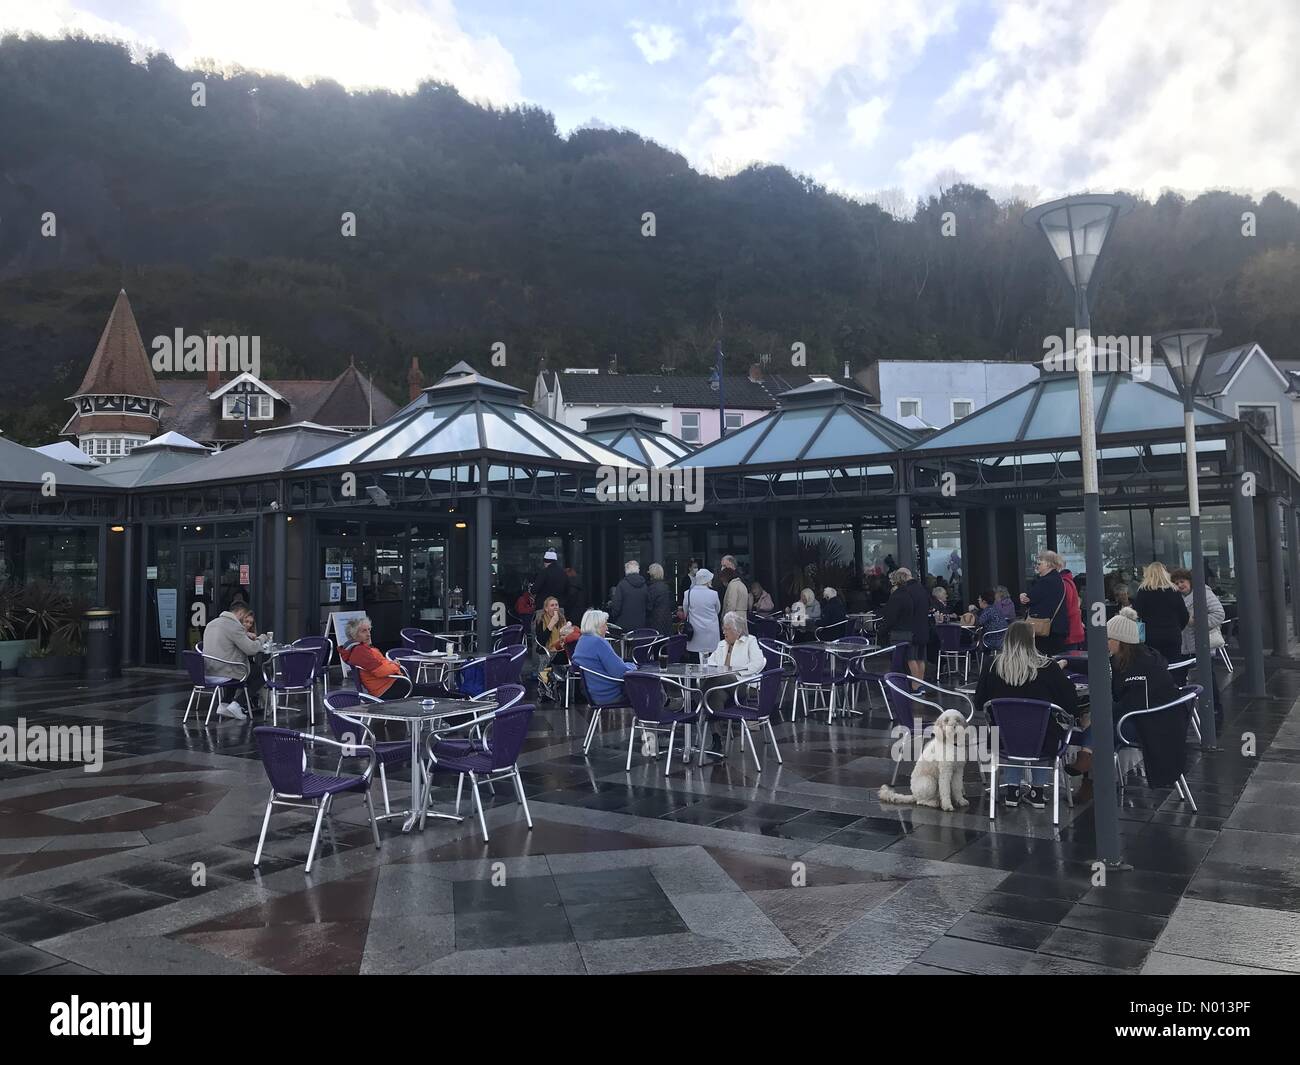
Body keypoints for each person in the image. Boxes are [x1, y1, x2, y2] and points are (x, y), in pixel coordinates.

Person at [1071, 607, 1179, 800]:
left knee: (1102, 726)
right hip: (1150, 718)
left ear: (1120, 641)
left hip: (1149, 724)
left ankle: (1087, 770)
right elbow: (1097, 665)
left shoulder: (1141, 667)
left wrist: (1107, 709)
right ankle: (1087, 766)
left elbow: (1136, 705)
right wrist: (1067, 663)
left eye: (1107, 639)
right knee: (1099, 722)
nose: (1104, 643)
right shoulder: (1136, 659)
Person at [974, 619, 1078, 809]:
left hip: (1004, 740)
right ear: (1032, 640)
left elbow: (979, 702)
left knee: (1011, 730)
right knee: (1043, 728)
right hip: (1043, 740)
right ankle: (1037, 791)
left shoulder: (992, 665)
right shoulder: (1048, 667)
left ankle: (1012, 790)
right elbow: (1070, 703)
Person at [700, 611, 767, 757]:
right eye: (723, 628)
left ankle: (698, 697)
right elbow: (711, 663)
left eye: (727, 629)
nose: (724, 632)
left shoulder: (750, 641)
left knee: (719, 679)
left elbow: (759, 662)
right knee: (713, 694)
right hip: (722, 688)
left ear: (737, 630)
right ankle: (717, 740)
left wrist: (739, 673)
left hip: (741, 686)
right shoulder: (721, 645)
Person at [1172, 567, 1225, 729]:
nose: (1180, 585)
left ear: (1189, 582)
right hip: (1183, 646)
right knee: (1179, 679)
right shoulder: (1175, 598)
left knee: (1207, 678)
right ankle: (1182, 711)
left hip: (1200, 644)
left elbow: (1219, 614)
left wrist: (1197, 624)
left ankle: (1214, 710)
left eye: (1182, 581)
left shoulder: (1203, 593)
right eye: (1176, 583)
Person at [339, 615, 437, 701]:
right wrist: (395, 665)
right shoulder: (360, 651)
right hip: (386, 689)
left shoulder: (360, 649)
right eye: (364, 631)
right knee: (436, 693)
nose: (368, 634)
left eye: (369, 630)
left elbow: (382, 666)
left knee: (433, 690)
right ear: (353, 635)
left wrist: (390, 665)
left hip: (389, 685)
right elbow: (380, 671)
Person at [201, 602, 265, 719]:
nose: (244, 619)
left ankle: (225, 703)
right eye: (244, 616)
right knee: (263, 674)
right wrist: (262, 638)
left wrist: (245, 633)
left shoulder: (211, 624)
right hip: (224, 672)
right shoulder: (234, 626)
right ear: (240, 613)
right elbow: (251, 649)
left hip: (207, 672)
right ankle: (237, 704)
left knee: (236, 666)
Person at [571, 609, 635, 705]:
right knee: (650, 685)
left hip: (593, 695)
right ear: (596, 626)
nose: (606, 628)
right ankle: (655, 718)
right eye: (605, 624)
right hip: (611, 695)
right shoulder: (599, 642)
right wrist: (633, 667)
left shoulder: (582, 641)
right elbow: (620, 672)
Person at [882, 567, 931, 685]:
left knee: (911, 658)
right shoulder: (922, 589)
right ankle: (920, 684)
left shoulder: (907, 591)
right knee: (920, 658)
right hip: (923, 628)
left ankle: (915, 686)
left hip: (910, 630)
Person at [1135, 561, 1189, 665]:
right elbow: (1184, 616)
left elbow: (1137, 616)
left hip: (1151, 636)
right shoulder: (1174, 591)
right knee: (1173, 666)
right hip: (1172, 634)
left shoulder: (1143, 592)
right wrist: (1176, 627)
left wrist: (1140, 636)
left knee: (1154, 666)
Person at [1020, 550, 1069, 655]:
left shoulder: (1045, 581)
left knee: (1042, 659)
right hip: (1057, 628)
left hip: (1046, 630)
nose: (1037, 566)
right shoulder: (1058, 579)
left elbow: (1029, 598)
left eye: (1039, 563)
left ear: (1048, 564)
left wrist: (1023, 597)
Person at [682, 567, 721, 660]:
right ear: (707, 580)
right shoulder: (714, 594)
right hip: (711, 632)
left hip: (695, 633)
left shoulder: (688, 593)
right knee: (711, 662)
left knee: (694, 660)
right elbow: (718, 610)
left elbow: (685, 611)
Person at [609, 559, 649, 631]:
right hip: (641, 624)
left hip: (624, 624)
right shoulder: (644, 585)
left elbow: (616, 605)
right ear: (638, 570)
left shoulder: (622, 585)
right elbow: (648, 605)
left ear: (626, 570)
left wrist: (614, 616)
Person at [1059, 566, 1085, 650]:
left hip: (1069, 632)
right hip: (1074, 630)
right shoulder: (1070, 583)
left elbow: (1066, 606)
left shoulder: (1065, 584)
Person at [646, 562, 673, 635]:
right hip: (667, 620)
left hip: (655, 621)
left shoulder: (652, 588)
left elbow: (649, 607)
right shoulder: (666, 587)